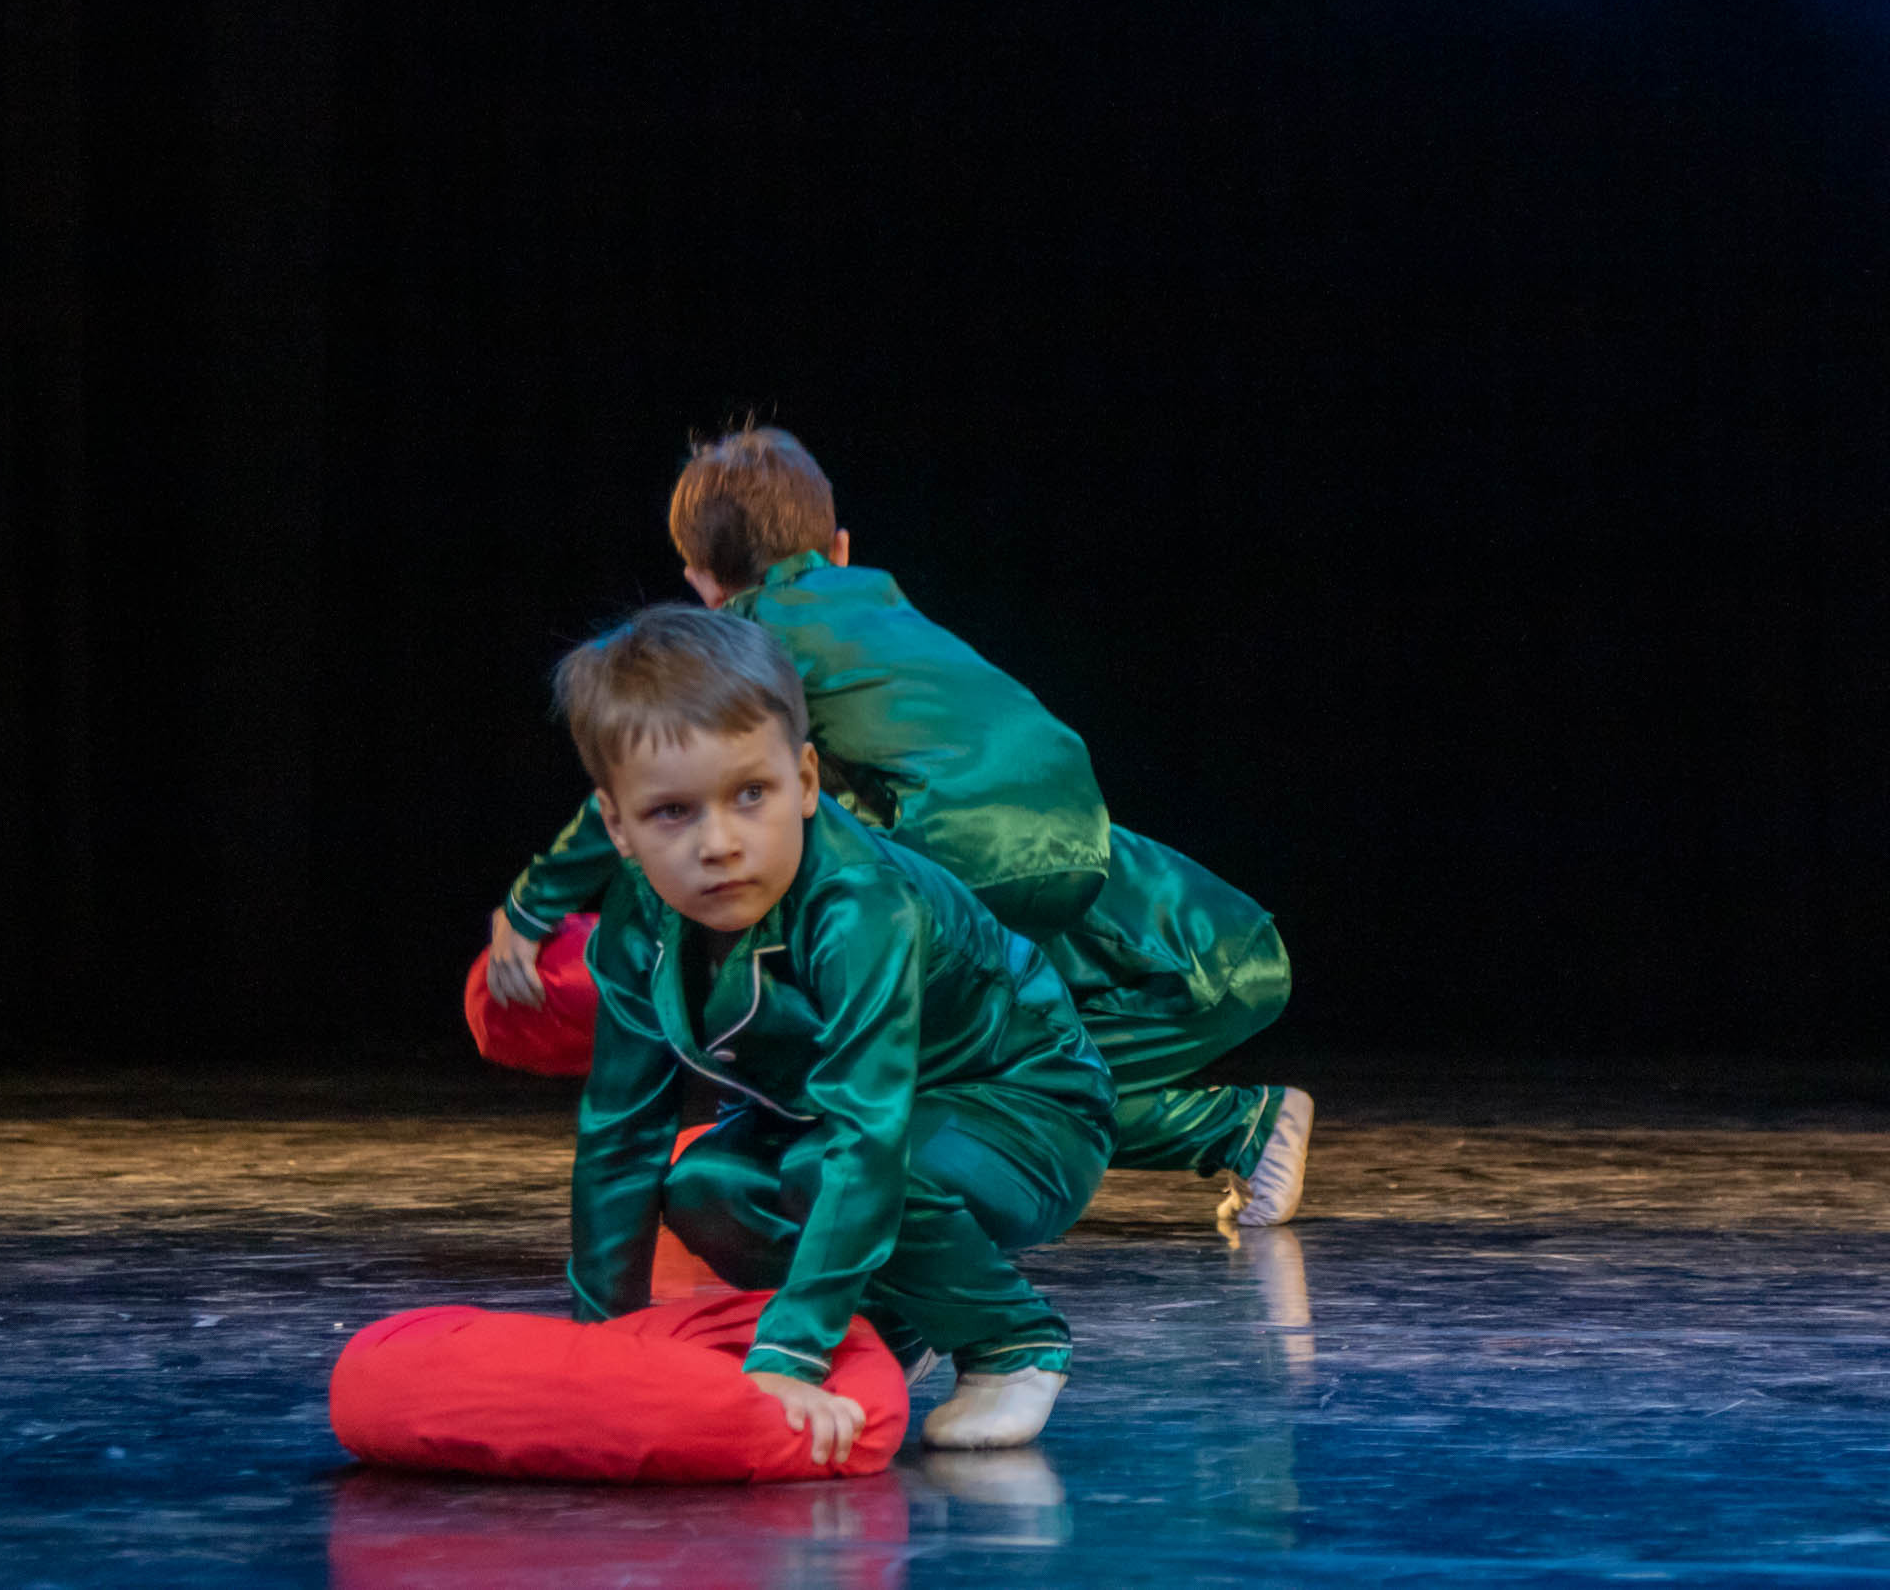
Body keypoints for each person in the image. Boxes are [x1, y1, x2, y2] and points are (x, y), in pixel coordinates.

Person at [489, 427, 1309, 1225]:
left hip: (948, 853)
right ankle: (1245, 1125)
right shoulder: (881, 605)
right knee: (1007, 1043)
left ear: (701, 581)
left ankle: (1219, 1128)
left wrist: (530, 909)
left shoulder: (747, 639)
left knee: (908, 1070)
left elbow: (649, 783)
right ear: (839, 546)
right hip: (1083, 833)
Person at [556, 603, 1116, 1454]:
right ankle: (895, 1314)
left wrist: (792, 1352)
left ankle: (1012, 1340)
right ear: (617, 827)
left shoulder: (860, 904)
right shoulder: (639, 919)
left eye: (752, 794)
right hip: (846, 1122)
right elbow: (619, 1133)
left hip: (1026, 1108)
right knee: (702, 1184)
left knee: (828, 1167)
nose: (720, 842)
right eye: (672, 812)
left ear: (808, 781)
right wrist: (604, 1346)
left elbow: (865, 1132)